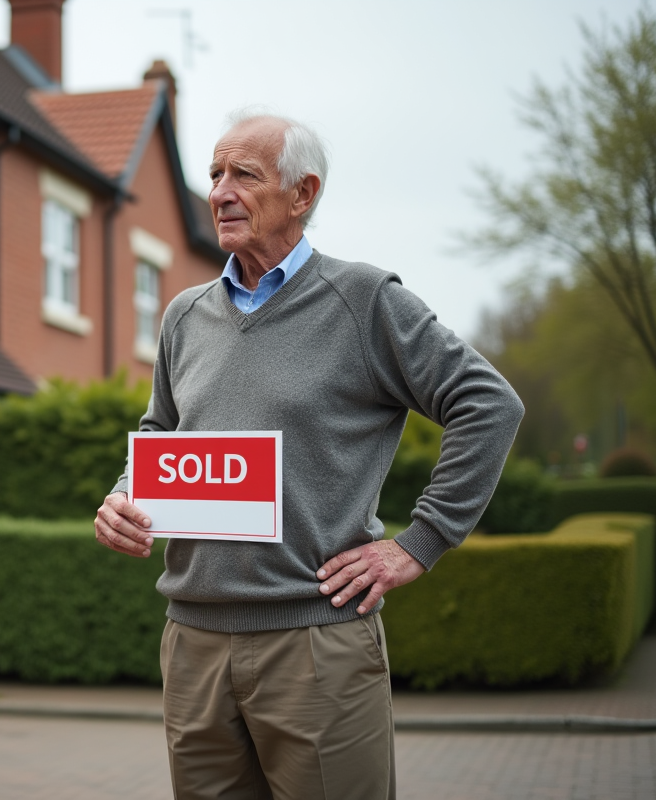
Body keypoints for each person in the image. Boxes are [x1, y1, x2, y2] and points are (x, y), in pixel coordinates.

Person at [94, 111, 524, 800]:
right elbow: (160, 434)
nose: (221, 191)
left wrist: (420, 542)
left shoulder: (364, 301)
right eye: (214, 175)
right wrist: (125, 494)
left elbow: (490, 404)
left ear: (303, 195)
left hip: (314, 647)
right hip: (192, 642)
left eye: (245, 175)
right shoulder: (183, 315)